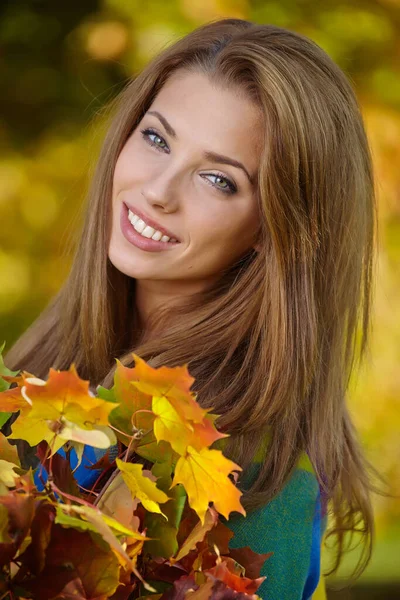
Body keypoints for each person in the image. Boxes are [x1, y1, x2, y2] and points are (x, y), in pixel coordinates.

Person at [4, 18, 379, 600]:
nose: (159, 189)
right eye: (156, 139)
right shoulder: (51, 365)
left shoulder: (258, 478)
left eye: (216, 179)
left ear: (272, 228)